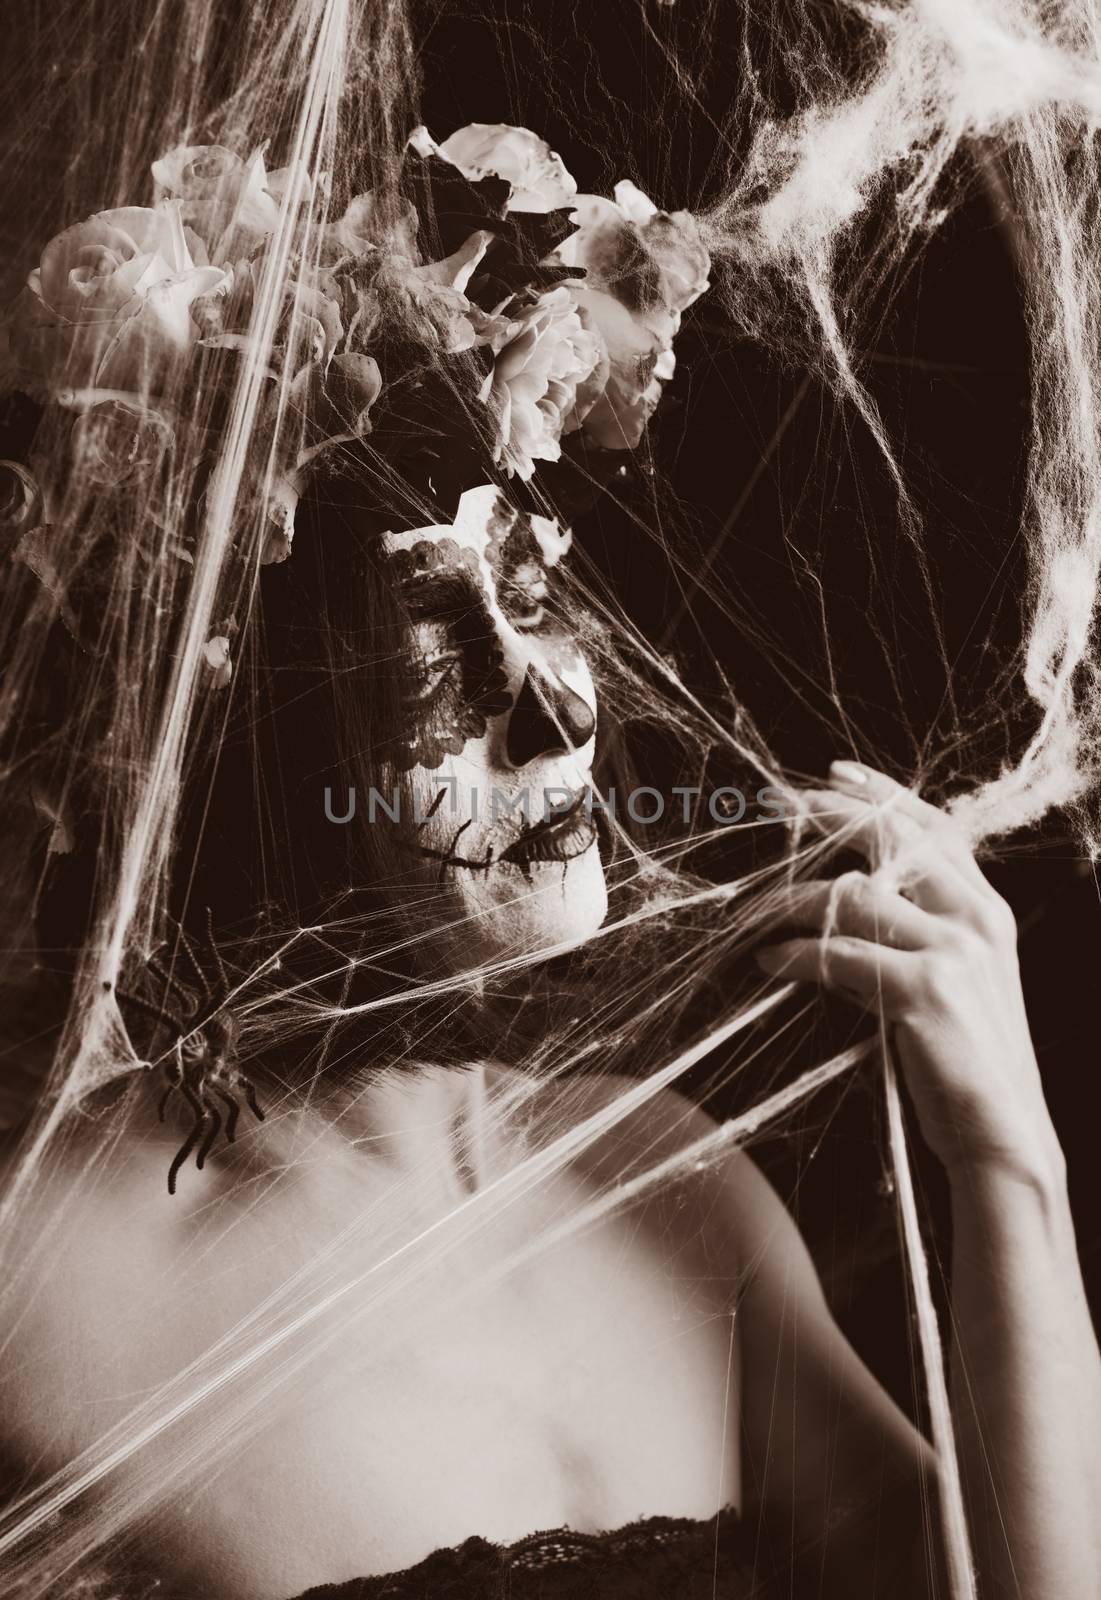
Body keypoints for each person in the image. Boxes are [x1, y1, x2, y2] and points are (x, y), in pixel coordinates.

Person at [0, 108, 1098, 1600]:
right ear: (258, 710)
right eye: (448, 635)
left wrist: (1005, 1169)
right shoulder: (50, 1264)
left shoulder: (646, 1174)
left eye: (532, 588)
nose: (550, 706)